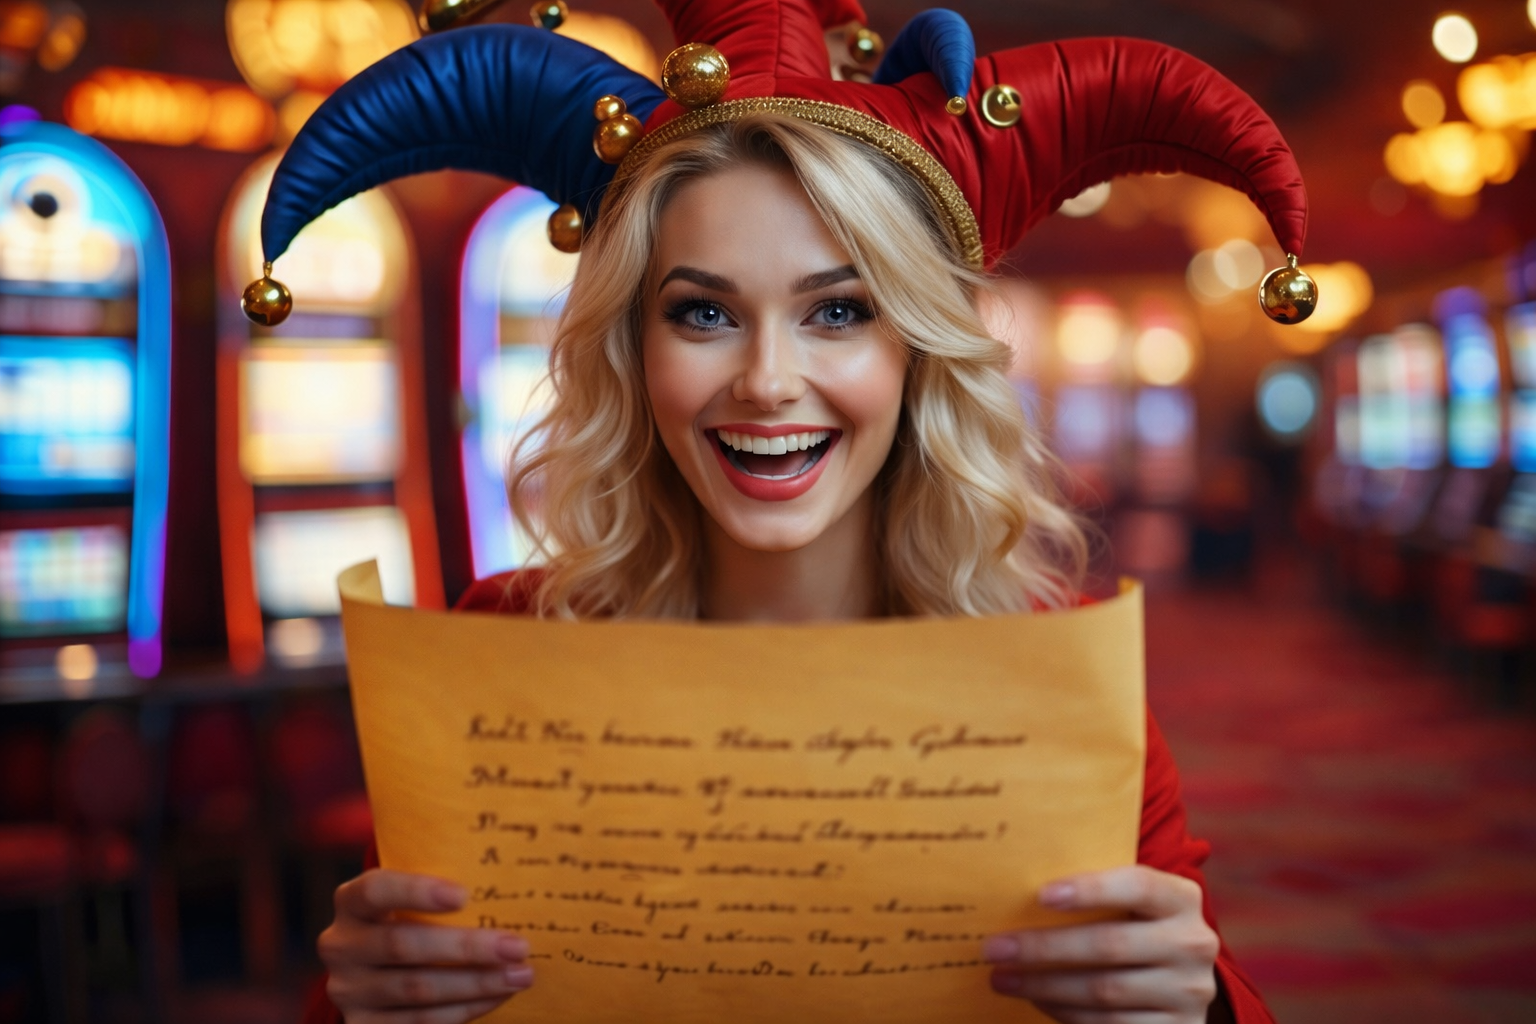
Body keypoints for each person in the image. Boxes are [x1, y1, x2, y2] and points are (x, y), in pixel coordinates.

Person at [251, 3, 1314, 1021]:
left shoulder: (1065, 678)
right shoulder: (495, 651)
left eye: (838, 312)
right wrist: (364, 1005)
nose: (766, 380)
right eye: (704, 311)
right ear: (634, 351)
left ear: (916, 355)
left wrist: (1189, 1006)